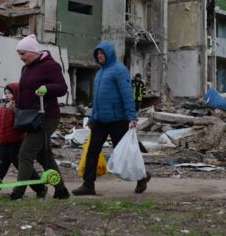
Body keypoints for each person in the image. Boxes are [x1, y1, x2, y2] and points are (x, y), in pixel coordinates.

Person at [72, 41, 151, 196]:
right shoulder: (100, 73)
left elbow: (127, 95)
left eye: (102, 53)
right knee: (92, 151)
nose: (100, 56)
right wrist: (92, 118)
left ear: (109, 54)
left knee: (123, 153)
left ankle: (142, 176)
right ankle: (88, 185)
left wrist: (132, 117)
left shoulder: (119, 70)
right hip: (100, 121)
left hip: (118, 120)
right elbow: (97, 99)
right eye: (97, 54)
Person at [10, 34, 70, 200]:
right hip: (31, 117)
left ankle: (18, 193)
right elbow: (26, 91)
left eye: (23, 53)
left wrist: (46, 88)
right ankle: (61, 191)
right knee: (44, 155)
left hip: (46, 117)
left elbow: (62, 88)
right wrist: (17, 104)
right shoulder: (26, 68)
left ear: (33, 51)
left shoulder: (50, 66)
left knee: (25, 153)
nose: (21, 58)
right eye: (19, 54)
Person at [0, 83, 46, 198]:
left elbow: (23, 122)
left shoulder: (19, 108)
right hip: (4, 144)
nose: (7, 95)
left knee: (25, 169)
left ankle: (40, 188)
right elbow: (0, 125)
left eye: (10, 93)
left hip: (16, 144)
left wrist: (14, 110)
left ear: (16, 94)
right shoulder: (3, 109)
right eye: (5, 93)